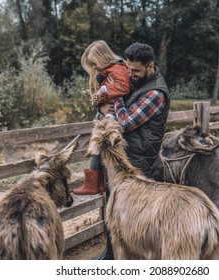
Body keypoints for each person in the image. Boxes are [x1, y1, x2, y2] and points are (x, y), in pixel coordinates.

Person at [95, 42, 171, 259]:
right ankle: (111, 255)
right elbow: (109, 108)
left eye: (135, 70)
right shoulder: (135, 81)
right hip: (124, 159)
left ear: (150, 66)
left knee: (135, 219)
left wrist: (116, 96)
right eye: (127, 69)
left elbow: (126, 122)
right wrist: (102, 107)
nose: (130, 74)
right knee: (114, 210)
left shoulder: (156, 93)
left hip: (140, 164)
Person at [73, 40, 130, 196]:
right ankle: (94, 182)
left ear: (102, 58)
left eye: (95, 63)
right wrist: (100, 105)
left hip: (116, 115)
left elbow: (122, 87)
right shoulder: (110, 71)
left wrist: (104, 89)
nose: (95, 68)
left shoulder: (117, 69)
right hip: (108, 112)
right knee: (97, 142)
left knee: (98, 142)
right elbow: (107, 97)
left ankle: (92, 183)